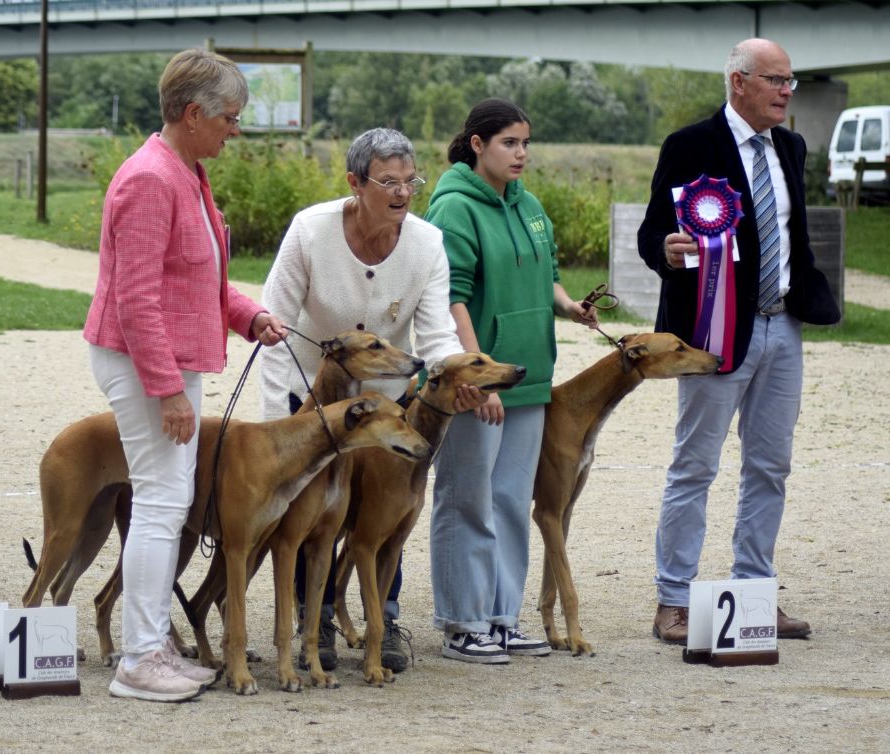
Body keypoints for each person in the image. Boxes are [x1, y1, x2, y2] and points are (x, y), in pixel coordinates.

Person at [83, 48, 285, 702]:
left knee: (166, 503)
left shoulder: (188, 172)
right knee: (164, 502)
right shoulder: (150, 179)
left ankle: (150, 645)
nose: (236, 129)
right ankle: (140, 658)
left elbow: (199, 280)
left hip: (167, 360)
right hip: (147, 363)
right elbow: (136, 300)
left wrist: (250, 316)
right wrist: (167, 388)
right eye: (230, 117)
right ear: (194, 114)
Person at [637, 38, 840, 645]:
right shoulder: (688, 145)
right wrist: (666, 252)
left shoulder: (792, 147)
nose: (785, 91)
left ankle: (754, 590)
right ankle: (674, 600)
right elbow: (654, 231)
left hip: (785, 326)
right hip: (714, 330)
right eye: (775, 80)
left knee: (770, 465)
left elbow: (793, 232)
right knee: (695, 463)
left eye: (791, 82)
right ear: (738, 82)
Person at [259, 127, 484, 674]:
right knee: (313, 515)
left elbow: (434, 337)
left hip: (385, 406)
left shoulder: (428, 243)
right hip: (310, 395)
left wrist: (459, 375)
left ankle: (384, 617)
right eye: (389, 182)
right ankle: (318, 620)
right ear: (355, 183)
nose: (404, 193)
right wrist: (274, 430)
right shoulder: (311, 231)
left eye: (411, 181)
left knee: (388, 510)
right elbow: (276, 329)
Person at [425, 99, 598, 664]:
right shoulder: (454, 208)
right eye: (509, 143)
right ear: (477, 144)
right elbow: (449, 299)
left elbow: (546, 274)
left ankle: (502, 617)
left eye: (526, 143)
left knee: (508, 498)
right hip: (482, 384)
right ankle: (462, 623)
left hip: (530, 378)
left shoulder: (529, 205)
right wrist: (481, 376)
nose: (521, 154)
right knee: (467, 497)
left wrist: (570, 306)